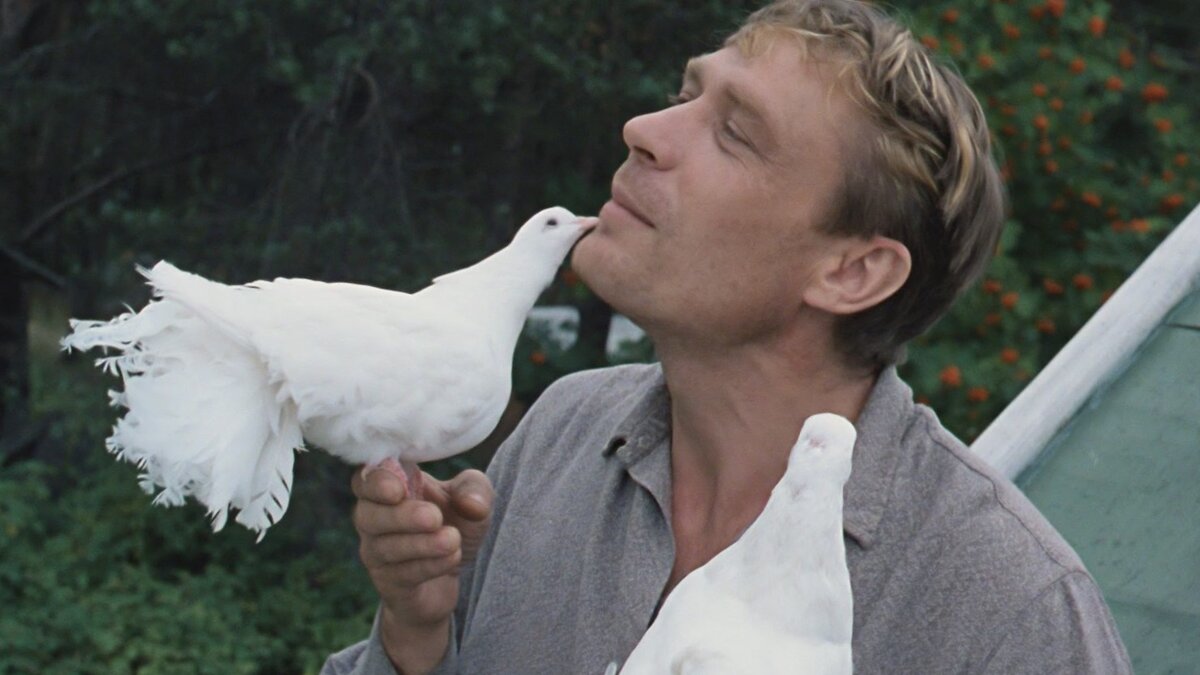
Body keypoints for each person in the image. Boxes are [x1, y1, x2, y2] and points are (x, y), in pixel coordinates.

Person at [323, 0, 1132, 672]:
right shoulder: (558, 438)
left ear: (852, 271)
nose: (643, 128)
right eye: (685, 95)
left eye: (736, 133)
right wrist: (416, 640)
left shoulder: (1010, 616)